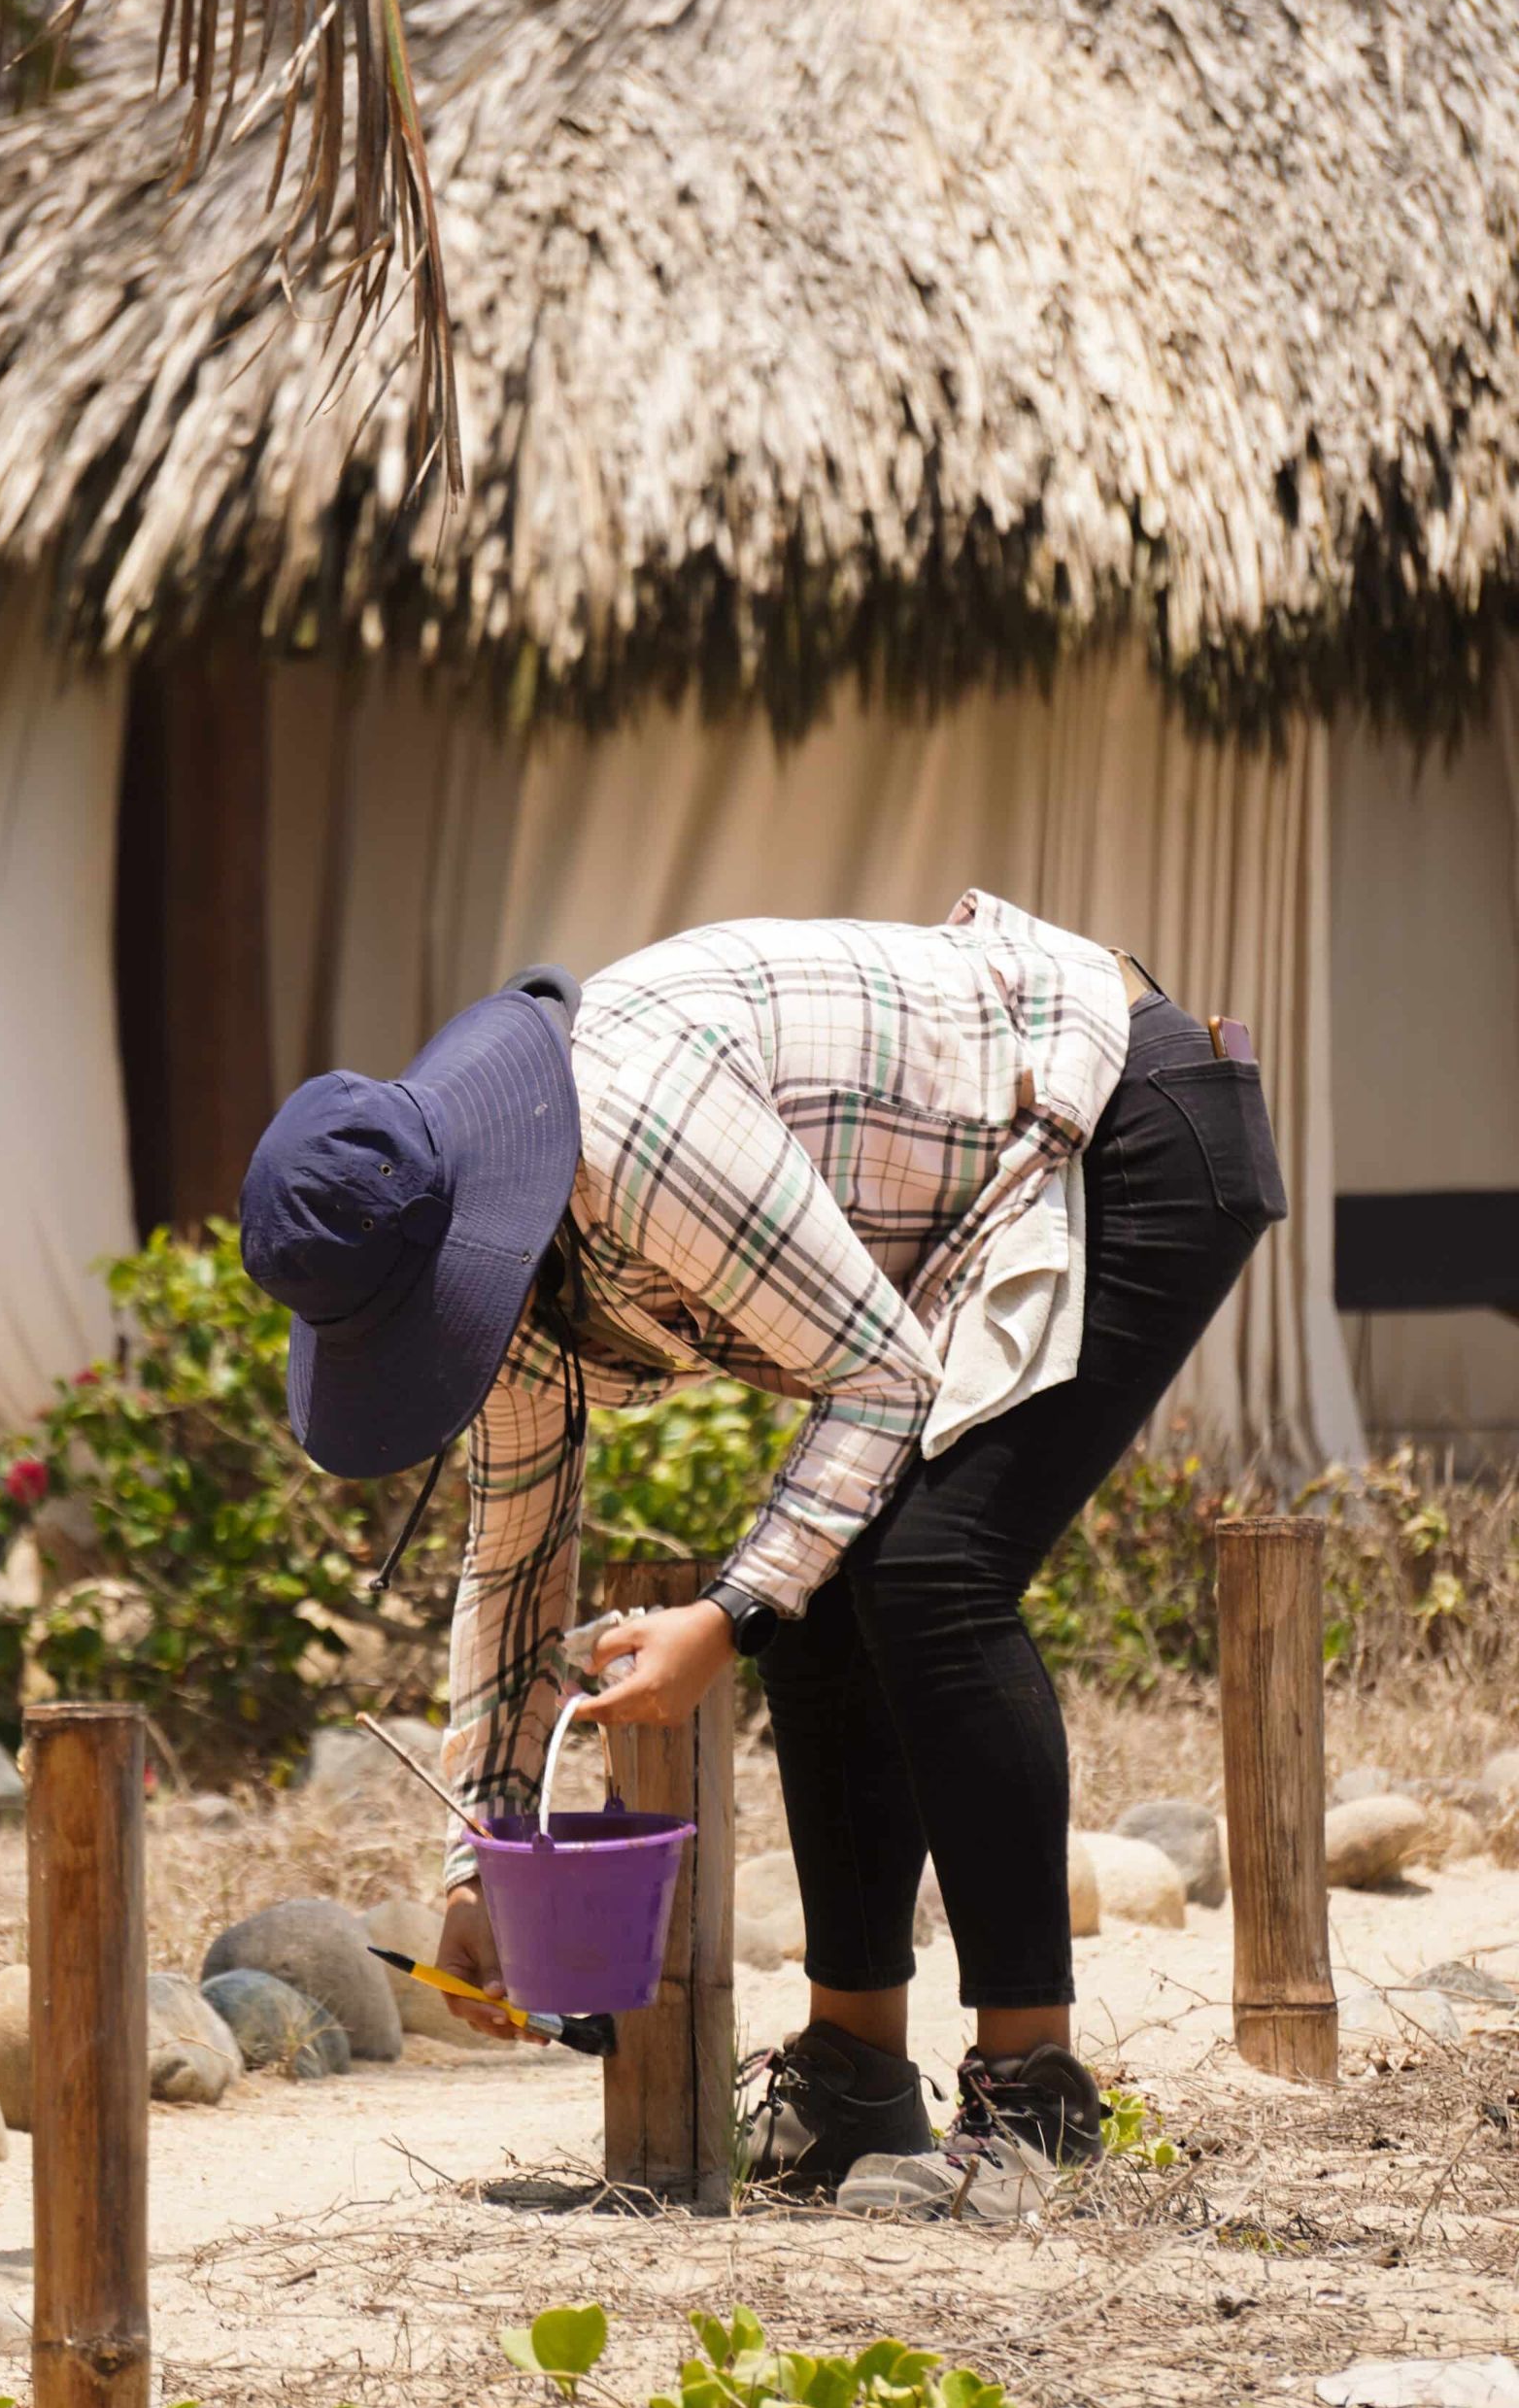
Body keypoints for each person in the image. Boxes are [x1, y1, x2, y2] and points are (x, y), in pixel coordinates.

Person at [240, 895, 1286, 2193]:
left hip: (1126, 1129)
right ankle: (853, 2079)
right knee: (826, 1594)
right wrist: (484, 1863)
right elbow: (512, 1563)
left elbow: (881, 1382)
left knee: (929, 1575)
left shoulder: (634, 1133)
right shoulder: (503, 1273)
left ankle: (1037, 2108)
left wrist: (725, 1620)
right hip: (975, 1222)